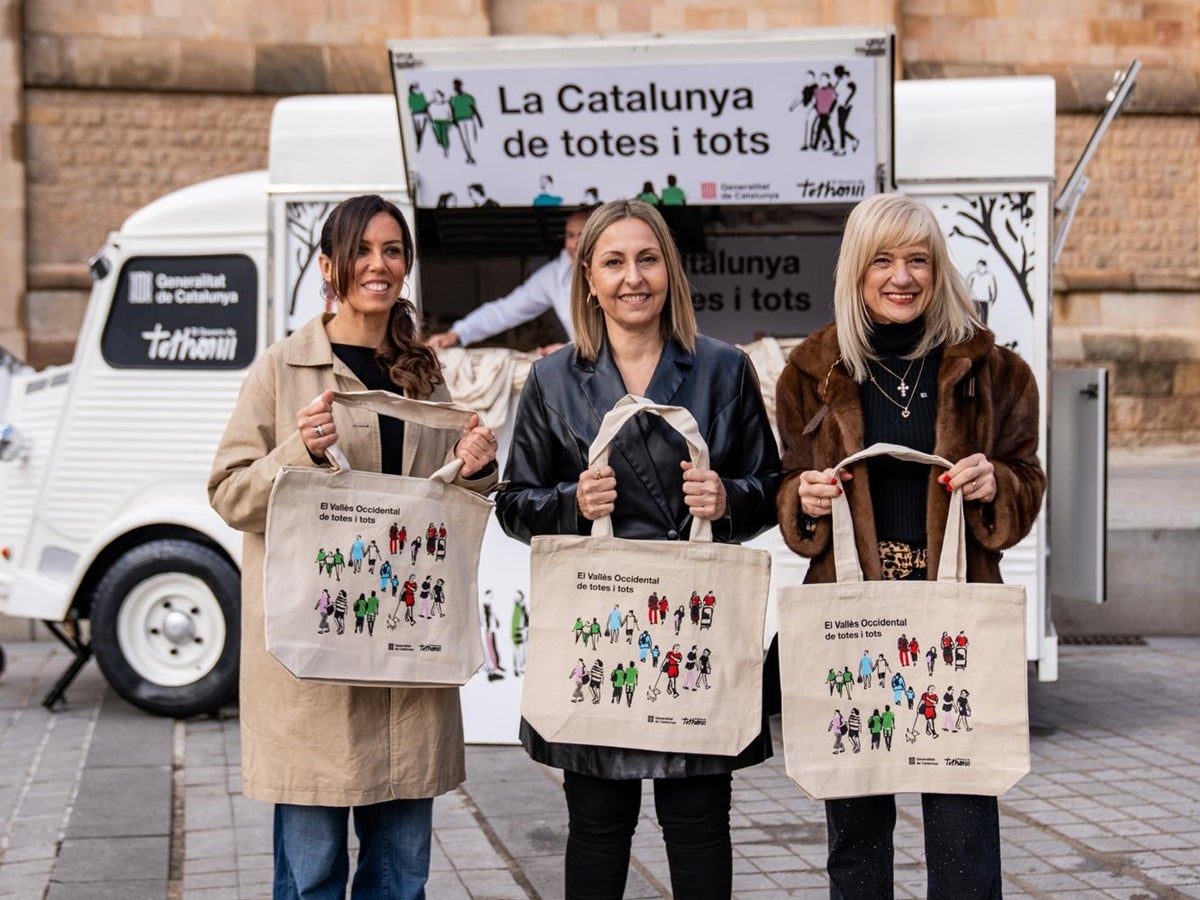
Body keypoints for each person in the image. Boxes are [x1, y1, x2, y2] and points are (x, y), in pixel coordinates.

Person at [208, 194, 498, 900]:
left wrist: (479, 467)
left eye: (393, 250)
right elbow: (228, 493)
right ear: (329, 265)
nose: (379, 264)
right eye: (363, 250)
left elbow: (443, 510)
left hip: (406, 656)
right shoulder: (282, 369)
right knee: (310, 877)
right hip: (318, 665)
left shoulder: (423, 371)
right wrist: (297, 453)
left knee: (400, 879)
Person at [494, 198, 781, 899]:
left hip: (695, 627)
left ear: (670, 271)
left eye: (647, 259)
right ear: (587, 277)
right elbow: (511, 503)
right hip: (603, 629)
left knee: (699, 821)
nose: (633, 277)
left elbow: (773, 487)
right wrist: (569, 504)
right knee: (596, 823)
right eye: (614, 262)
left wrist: (730, 499)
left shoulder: (724, 368)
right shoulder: (553, 379)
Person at [775, 191, 1044, 898]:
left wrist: (1000, 484)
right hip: (851, 618)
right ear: (856, 272)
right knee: (857, 832)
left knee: (963, 831)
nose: (903, 277)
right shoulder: (811, 371)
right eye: (883, 261)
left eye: (918, 260)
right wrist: (801, 499)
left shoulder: (997, 371)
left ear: (938, 269)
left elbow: (1027, 479)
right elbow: (787, 487)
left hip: (952, 612)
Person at [427, 207, 591, 357]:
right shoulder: (554, 275)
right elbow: (505, 310)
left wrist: (571, 349)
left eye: (582, 235)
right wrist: (458, 333)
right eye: (570, 235)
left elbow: (612, 336)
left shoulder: (613, 273)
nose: (574, 244)